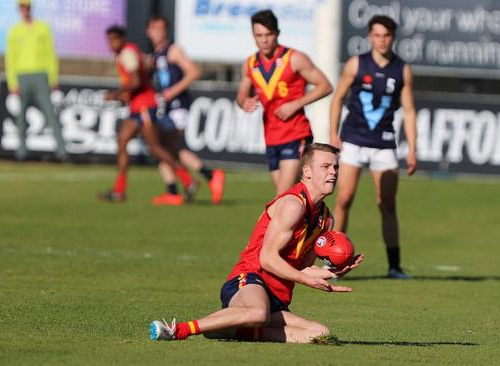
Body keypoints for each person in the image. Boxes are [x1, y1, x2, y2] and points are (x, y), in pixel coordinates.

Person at [149, 143, 364, 343]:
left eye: (335, 167)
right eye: (326, 166)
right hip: (249, 279)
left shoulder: (326, 218)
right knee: (258, 312)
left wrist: (332, 272)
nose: (333, 172)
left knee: (319, 334)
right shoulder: (292, 205)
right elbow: (268, 259)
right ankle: (179, 330)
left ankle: (233, 329)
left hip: (277, 299)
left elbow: (301, 268)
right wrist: (305, 280)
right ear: (307, 172)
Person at [329, 15, 417, 279]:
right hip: (354, 139)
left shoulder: (402, 69)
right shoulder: (357, 64)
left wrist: (412, 148)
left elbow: (410, 111)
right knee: (344, 199)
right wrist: (333, 134)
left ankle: (394, 265)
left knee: (387, 204)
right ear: (369, 36)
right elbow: (338, 99)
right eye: (377, 35)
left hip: (384, 143)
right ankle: (334, 262)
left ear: (393, 37)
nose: (382, 40)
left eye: (387, 35)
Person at [236, 9, 333, 195]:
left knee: (282, 197)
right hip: (271, 137)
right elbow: (241, 95)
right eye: (259, 35)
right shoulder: (250, 64)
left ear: (277, 33)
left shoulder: (294, 58)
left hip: (296, 134)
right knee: (295, 196)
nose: (264, 40)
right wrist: (244, 102)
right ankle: (316, 221)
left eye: (268, 34)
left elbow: (325, 86)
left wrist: (296, 104)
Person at [146, 15, 225, 205]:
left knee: (172, 148)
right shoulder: (155, 55)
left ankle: (211, 175)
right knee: (161, 149)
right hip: (165, 108)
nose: (157, 32)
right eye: (154, 28)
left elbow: (194, 72)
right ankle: (173, 191)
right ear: (148, 32)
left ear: (166, 30)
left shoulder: (173, 50)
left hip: (177, 108)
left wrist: (170, 93)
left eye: (161, 28)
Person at [99, 25, 181, 203]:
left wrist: (117, 93)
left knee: (155, 148)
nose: (111, 44)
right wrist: (124, 97)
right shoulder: (126, 53)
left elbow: (136, 81)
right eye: (109, 40)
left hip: (144, 106)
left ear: (121, 39)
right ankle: (119, 191)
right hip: (137, 106)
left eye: (114, 39)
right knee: (122, 141)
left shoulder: (127, 53)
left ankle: (188, 180)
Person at [5, 0, 67, 162]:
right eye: (22, 7)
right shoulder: (14, 31)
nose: (24, 10)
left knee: (51, 115)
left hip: (41, 77)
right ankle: (21, 153)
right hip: (22, 77)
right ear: (19, 9)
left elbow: (51, 54)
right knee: (21, 117)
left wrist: (53, 78)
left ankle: (62, 152)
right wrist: (13, 82)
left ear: (31, 8)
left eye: (27, 7)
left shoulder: (43, 28)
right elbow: (10, 59)